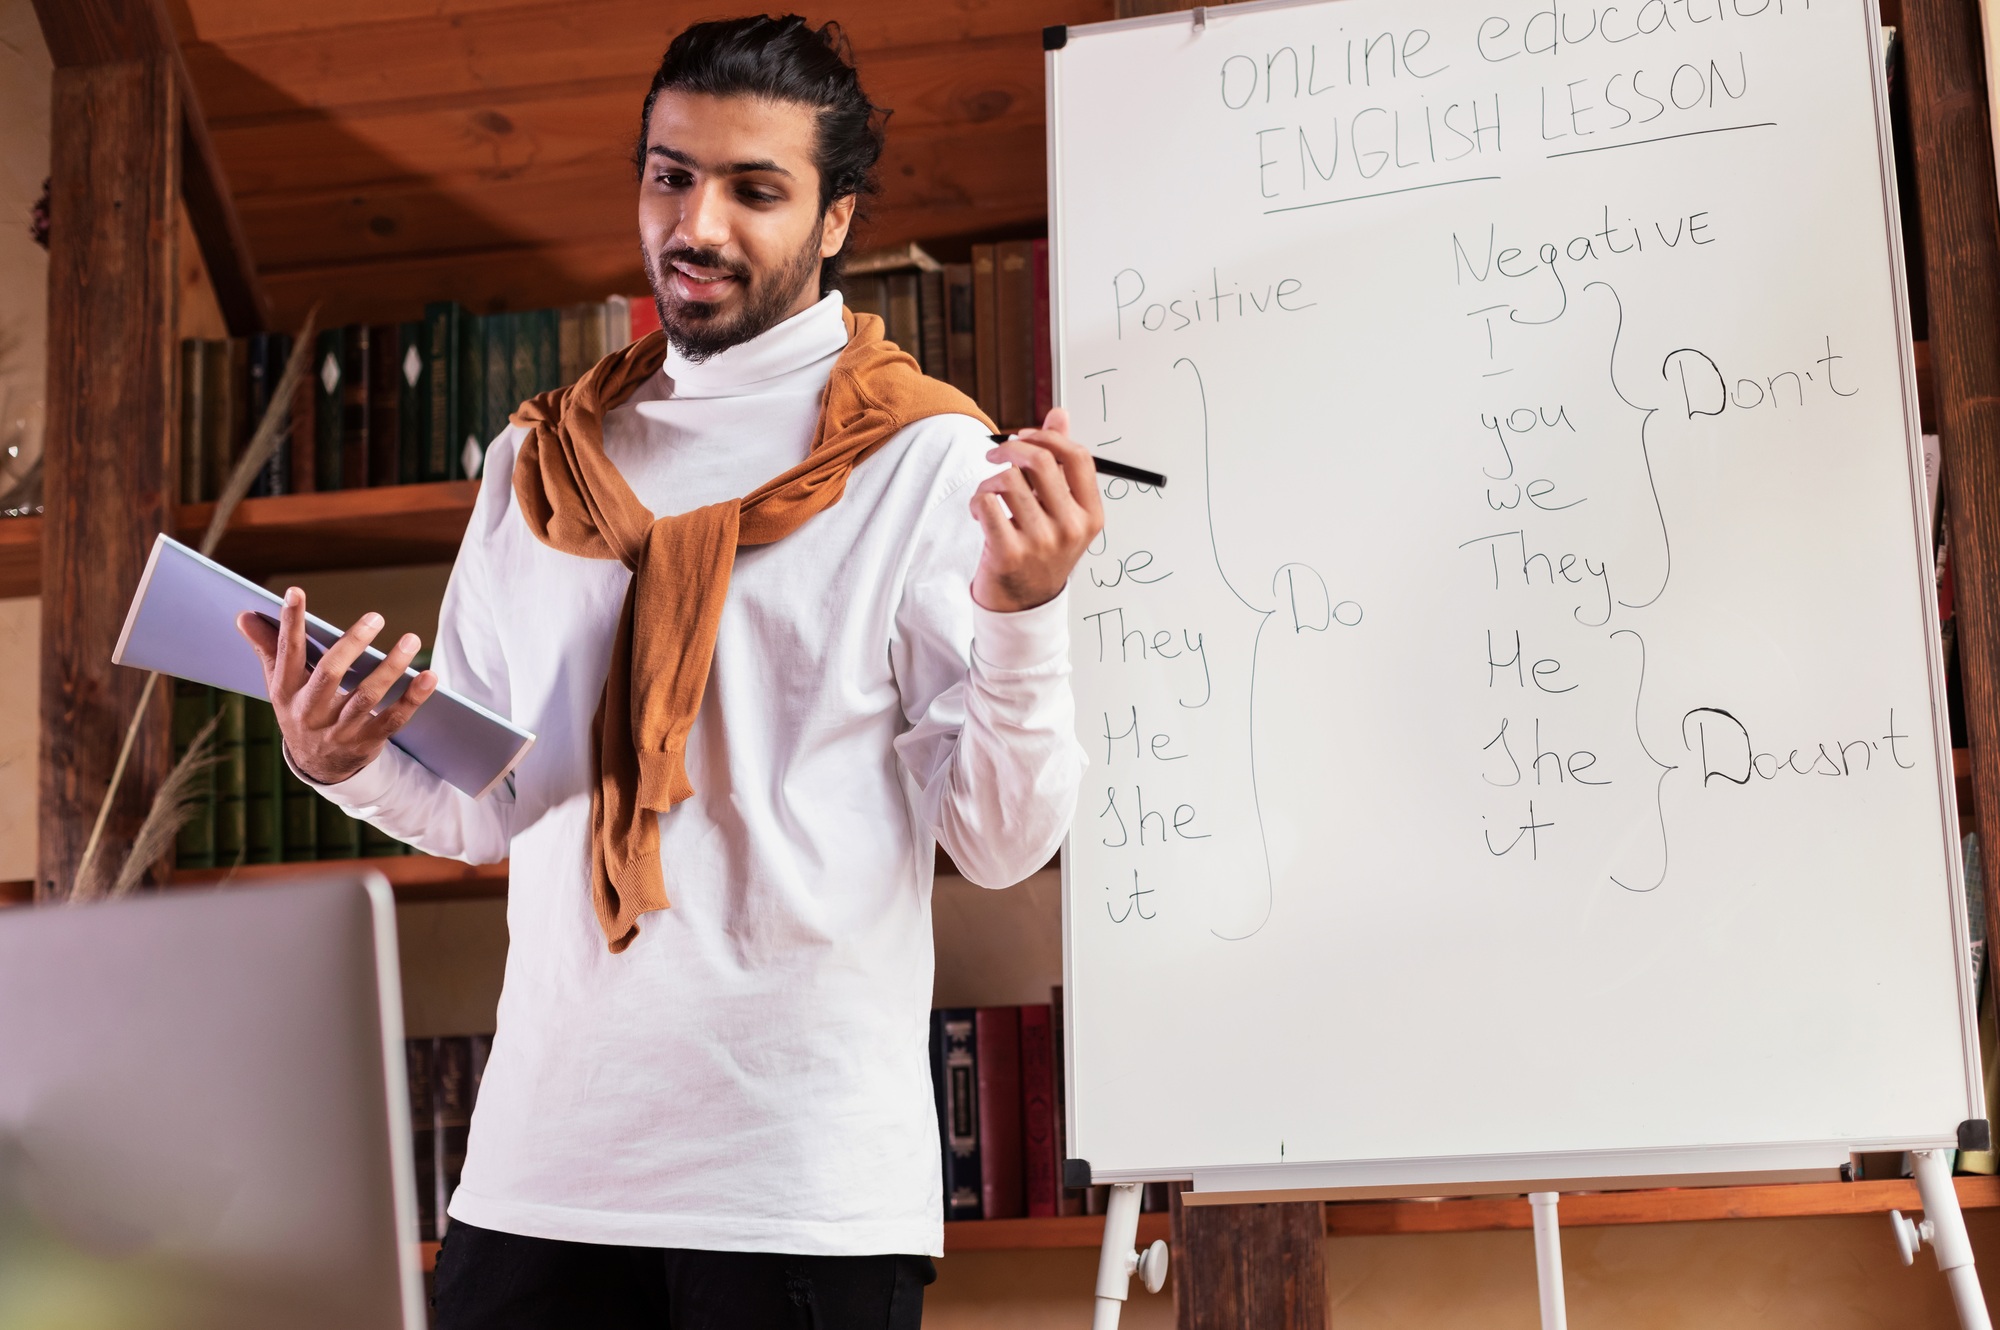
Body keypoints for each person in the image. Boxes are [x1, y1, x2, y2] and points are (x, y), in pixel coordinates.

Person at [236, 15, 1098, 1329]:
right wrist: (340, 759)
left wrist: (1024, 618)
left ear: (834, 220)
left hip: (796, 1188)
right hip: (538, 1171)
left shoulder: (927, 462)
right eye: (669, 174)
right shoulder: (536, 460)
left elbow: (995, 837)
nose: (697, 220)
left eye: (755, 189)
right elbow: (484, 804)